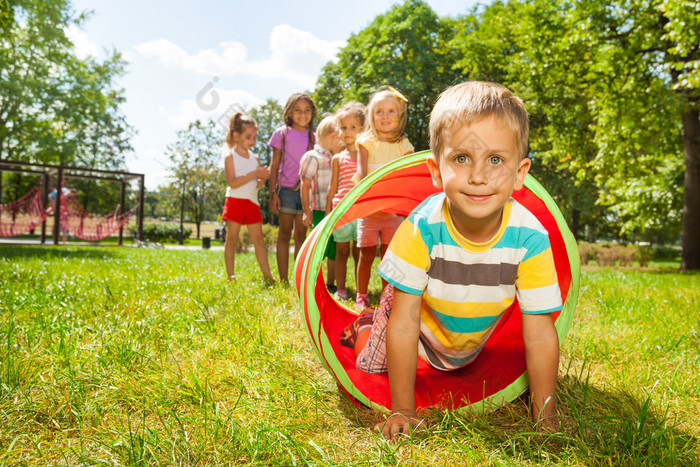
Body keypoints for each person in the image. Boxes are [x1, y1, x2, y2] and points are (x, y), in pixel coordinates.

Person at [346, 81, 563, 439]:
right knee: (372, 362)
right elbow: (405, 323)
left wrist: (547, 418)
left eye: (496, 160)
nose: (478, 176)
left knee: (458, 363)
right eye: (462, 158)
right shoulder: (423, 227)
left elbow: (540, 333)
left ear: (521, 172)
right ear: (435, 170)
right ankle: (365, 325)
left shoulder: (530, 237)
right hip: (412, 322)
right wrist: (403, 409)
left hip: (465, 340)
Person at [354, 86, 414, 311]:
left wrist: (401, 205)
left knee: (388, 255)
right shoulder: (365, 142)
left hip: (392, 211)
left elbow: (405, 178)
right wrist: (364, 201)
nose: (385, 116)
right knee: (366, 253)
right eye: (379, 111)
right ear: (371, 116)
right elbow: (361, 176)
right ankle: (361, 294)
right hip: (370, 209)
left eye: (391, 111)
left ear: (400, 116)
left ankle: (385, 296)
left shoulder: (403, 146)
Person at [268, 93, 317, 283]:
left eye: (306, 110)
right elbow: (274, 165)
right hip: (285, 191)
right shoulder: (282, 134)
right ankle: (283, 279)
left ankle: (298, 279)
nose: (302, 114)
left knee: (300, 236)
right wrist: (273, 193)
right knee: (284, 233)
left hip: (306, 192)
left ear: (312, 113)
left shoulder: (314, 138)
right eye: (297, 110)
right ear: (289, 112)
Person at [222, 112, 274, 283]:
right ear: (236, 136)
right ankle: (231, 277)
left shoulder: (255, 159)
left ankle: (268, 276)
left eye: (254, 137)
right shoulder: (230, 157)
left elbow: (256, 185)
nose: (252, 141)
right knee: (232, 240)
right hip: (235, 201)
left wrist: (261, 180)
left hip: (252, 202)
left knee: (259, 241)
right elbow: (233, 182)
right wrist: (254, 173)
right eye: (248, 137)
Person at [325, 102, 366, 301]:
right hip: (341, 210)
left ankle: (361, 292)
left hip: (360, 209)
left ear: (363, 129)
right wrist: (328, 213)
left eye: (353, 127)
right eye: (343, 128)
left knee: (359, 253)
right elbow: (332, 187)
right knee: (341, 251)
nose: (348, 132)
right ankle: (341, 289)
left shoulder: (366, 155)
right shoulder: (337, 158)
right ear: (338, 131)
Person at [299, 115, 344, 292]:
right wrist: (306, 210)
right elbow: (305, 184)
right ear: (333, 137)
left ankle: (330, 283)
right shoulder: (313, 156)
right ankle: (311, 281)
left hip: (334, 211)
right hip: (318, 210)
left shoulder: (338, 158)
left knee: (333, 248)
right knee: (319, 248)